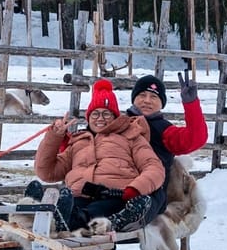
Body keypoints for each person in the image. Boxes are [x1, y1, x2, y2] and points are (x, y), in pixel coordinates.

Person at [32, 79, 165, 233]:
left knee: (92, 211)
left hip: (114, 196)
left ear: (115, 116)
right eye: (95, 113)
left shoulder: (131, 136)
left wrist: (134, 189)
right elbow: (47, 172)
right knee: (71, 205)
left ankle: (62, 221)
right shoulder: (79, 142)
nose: (100, 118)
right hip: (78, 196)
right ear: (88, 117)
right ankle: (27, 215)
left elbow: (154, 168)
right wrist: (54, 136)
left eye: (106, 113)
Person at [127, 70, 208, 214]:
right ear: (133, 99)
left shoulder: (164, 130)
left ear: (161, 104)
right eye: (142, 95)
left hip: (149, 194)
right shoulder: (120, 123)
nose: (147, 100)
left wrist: (191, 104)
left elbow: (195, 138)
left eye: (153, 97)